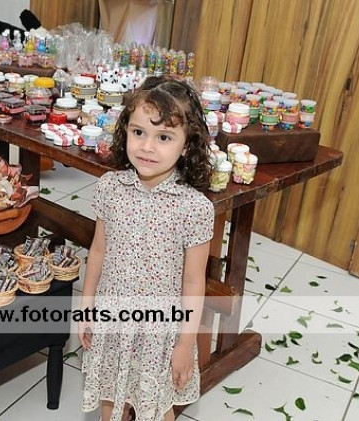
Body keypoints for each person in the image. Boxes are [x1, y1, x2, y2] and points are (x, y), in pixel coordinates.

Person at [79, 76, 214, 421]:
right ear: (125, 130)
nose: (147, 147)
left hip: (159, 332)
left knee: (156, 404)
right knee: (110, 395)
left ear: (187, 145)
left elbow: (193, 282)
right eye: (138, 132)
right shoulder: (110, 188)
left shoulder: (194, 208)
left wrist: (185, 344)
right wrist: (87, 303)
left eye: (164, 137)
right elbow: (98, 251)